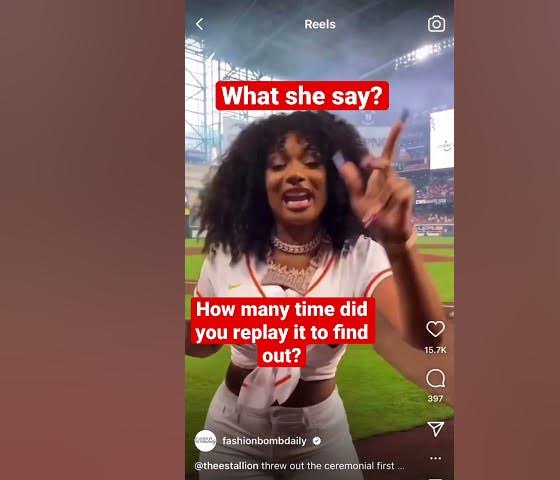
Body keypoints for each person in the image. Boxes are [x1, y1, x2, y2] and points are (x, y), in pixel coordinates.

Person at [186, 110, 444, 479]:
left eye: (312, 162)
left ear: (333, 178)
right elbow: (204, 342)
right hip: (232, 433)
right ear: (258, 182)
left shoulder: (359, 254)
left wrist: (399, 245)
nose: (294, 173)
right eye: (277, 165)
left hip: (321, 437)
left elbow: (430, 337)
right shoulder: (227, 254)